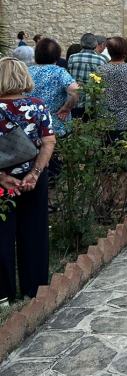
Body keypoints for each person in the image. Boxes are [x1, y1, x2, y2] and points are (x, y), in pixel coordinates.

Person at [0, 58, 56, 301]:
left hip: (3, 182)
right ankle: (34, 288)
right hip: (33, 178)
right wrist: (34, 173)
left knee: (1, 234)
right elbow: (48, 142)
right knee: (34, 231)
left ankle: (4, 293)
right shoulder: (38, 105)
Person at [28, 38, 79, 136]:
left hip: (31, 125)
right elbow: (75, 90)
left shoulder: (27, 71)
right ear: (57, 55)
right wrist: (67, 108)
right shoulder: (59, 72)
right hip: (55, 126)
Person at [67, 34, 105, 116]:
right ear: (95, 45)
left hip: (75, 101)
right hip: (93, 102)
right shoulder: (101, 60)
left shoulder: (72, 58)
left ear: (81, 44)